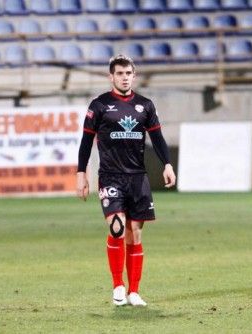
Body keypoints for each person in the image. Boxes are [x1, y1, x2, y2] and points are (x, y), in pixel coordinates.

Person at [76, 55, 176, 307]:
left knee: (136, 235)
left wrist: (167, 164)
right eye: (119, 73)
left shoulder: (145, 106)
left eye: (128, 73)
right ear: (111, 77)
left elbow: (158, 138)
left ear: (134, 75)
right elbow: (86, 142)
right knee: (117, 228)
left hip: (138, 178)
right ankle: (117, 285)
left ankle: (134, 291)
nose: (124, 77)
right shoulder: (99, 106)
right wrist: (81, 174)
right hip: (110, 177)